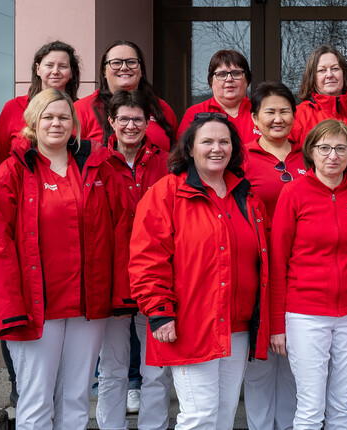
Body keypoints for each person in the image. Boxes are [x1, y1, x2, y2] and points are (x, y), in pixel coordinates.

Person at [0, 88, 129, 430]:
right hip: (36, 307)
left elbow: (122, 229)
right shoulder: (12, 171)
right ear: (33, 122)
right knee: (36, 401)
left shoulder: (99, 167)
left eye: (64, 117)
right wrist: (8, 306)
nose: (56, 123)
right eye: (48, 117)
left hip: (88, 304)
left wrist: (121, 293)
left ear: (74, 124)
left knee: (76, 399)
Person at [129, 114, 271, 430]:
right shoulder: (167, 192)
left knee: (223, 415)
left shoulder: (247, 196)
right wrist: (159, 310)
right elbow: (147, 257)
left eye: (224, 141)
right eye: (207, 141)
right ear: (190, 149)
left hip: (237, 326)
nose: (216, 148)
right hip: (192, 323)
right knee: (199, 416)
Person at [269, 119, 347, 430]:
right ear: (311, 152)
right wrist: (277, 325)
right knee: (310, 406)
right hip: (305, 314)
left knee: (342, 406)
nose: (333, 155)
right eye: (324, 148)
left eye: (341, 149)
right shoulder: (293, 193)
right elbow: (278, 262)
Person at [96, 90, 171, 430]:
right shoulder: (95, 162)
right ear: (111, 121)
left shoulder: (166, 163)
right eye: (123, 119)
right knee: (112, 368)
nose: (131, 125)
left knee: (156, 367)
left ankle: (153, 425)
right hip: (112, 278)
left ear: (148, 122)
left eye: (138, 119)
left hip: (156, 277)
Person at [241, 80, 303, 430]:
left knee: (296, 361)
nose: (278, 118)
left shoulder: (310, 153)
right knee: (261, 362)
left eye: (285, 111)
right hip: (258, 268)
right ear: (254, 118)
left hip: (302, 269)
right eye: (270, 112)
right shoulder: (241, 158)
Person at [75, 40, 177, 151]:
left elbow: (176, 154)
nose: (124, 67)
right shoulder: (81, 109)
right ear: (104, 71)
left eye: (132, 62)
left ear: (141, 69)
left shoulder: (161, 108)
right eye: (116, 63)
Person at [0, 41, 81, 165]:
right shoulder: (12, 107)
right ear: (38, 69)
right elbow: (4, 158)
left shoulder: (81, 109)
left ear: (71, 71)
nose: (55, 71)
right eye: (49, 65)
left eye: (62, 66)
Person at [290, 45, 347, 144]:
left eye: (335, 69)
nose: (329, 75)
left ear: (344, 73)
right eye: (322, 70)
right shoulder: (297, 117)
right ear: (312, 77)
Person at [178, 49, 258, 142]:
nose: (229, 79)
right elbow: (182, 149)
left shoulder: (260, 111)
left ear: (247, 80)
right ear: (211, 81)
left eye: (236, 73)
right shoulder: (195, 113)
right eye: (221, 74)